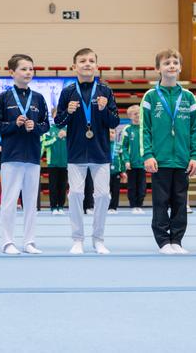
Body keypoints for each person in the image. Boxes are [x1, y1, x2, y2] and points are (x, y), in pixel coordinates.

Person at [54, 48, 120, 254]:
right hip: (76, 151)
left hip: (100, 151)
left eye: (91, 61)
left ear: (97, 66)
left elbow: (115, 121)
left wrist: (104, 109)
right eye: (82, 61)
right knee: (75, 194)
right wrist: (68, 112)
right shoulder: (68, 91)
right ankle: (77, 239)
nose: (87, 64)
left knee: (103, 196)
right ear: (74, 66)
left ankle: (98, 239)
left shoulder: (105, 91)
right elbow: (58, 122)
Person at [141, 49, 196, 255]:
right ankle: (163, 241)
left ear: (181, 68)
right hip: (160, 160)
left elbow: (195, 129)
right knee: (160, 202)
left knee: (180, 202)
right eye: (167, 63)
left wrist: (195, 156)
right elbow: (145, 129)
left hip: (183, 160)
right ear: (158, 68)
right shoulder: (150, 97)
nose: (172, 66)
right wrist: (147, 155)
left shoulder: (189, 97)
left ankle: (177, 240)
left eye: (175, 62)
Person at [0, 54, 49, 254]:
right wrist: (13, 125)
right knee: (9, 200)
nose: (28, 73)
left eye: (31, 69)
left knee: (31, 201)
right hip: (12, 156)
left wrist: (37, 127)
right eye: (24, 69)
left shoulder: (39, 98)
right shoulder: (4, 98)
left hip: (33, 155)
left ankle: (29, 241)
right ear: (12, 72)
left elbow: (46, 125)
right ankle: (7, 241)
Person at [41, 108, 68, 215]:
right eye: (56, 114)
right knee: (53, 186)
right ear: (53, 116)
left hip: (65, 163)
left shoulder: (68, 129)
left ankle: (61, 206)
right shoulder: (48, 130)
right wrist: (57, 137)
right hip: (52, 163)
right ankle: (53, 207)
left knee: (63, 186)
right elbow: (45, 144)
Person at [120, 105, 146, 214]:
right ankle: (133, 205)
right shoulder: (127, 129)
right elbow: (124, 147)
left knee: (142, 186)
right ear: (130, 116)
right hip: (131, 164)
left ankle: (139, 205)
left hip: (143, 164)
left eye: (139, 113)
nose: (138, 116)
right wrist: (126, 160)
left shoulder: (145, 129)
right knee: (132, 186)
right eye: (135, 114)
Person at [108, 129, 127, 214]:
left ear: (115, 134)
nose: (110, 134)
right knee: (105, 191)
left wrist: (123, 171)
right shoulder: (103, 145)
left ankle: (113, 207)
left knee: (115, 191)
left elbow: (122, 160)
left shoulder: (119, 146)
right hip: (105, 173)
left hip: (116, 172)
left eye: (112, 132)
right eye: (108, 133)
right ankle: (105, 207)